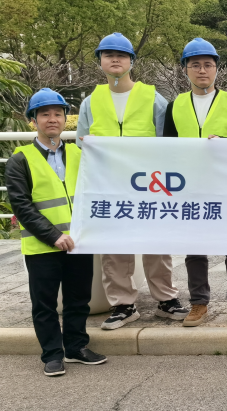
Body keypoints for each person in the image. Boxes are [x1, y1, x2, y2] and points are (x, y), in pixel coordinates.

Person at [76, 33, 187, 330]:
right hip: (110, 186)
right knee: (114, 247)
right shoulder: (90, 102)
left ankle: (166, 298)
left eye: (121, 55)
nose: (115, 59)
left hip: (150, 185)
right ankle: (123, 304)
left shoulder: (153, 98)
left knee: (156, 243)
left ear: (132, 62)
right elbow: (82, 144)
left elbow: (168, 142)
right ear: (100, 61)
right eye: (108, 55)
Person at [7, 89, 107, 376]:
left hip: (78, 243)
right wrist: (53, 236)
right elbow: (22, 206)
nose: (52, 119)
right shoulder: (20, 159)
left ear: (65, 119)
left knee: (79, 300)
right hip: (43, 246)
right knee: (45, 304)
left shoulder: (79, 153)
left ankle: (76, 347)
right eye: (45, 114)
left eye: (58, 114)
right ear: (33, 120)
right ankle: (52, 354)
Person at [161, 39, 227, 327]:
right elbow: (167, 148)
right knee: (195, 249)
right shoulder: (175, 105)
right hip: (190, 187)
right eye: (195, 65)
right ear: (185, 69)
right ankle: (198, 302)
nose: (202, 70)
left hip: (225, 185)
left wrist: (224, 143)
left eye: (208, 65)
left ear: (216, 69)